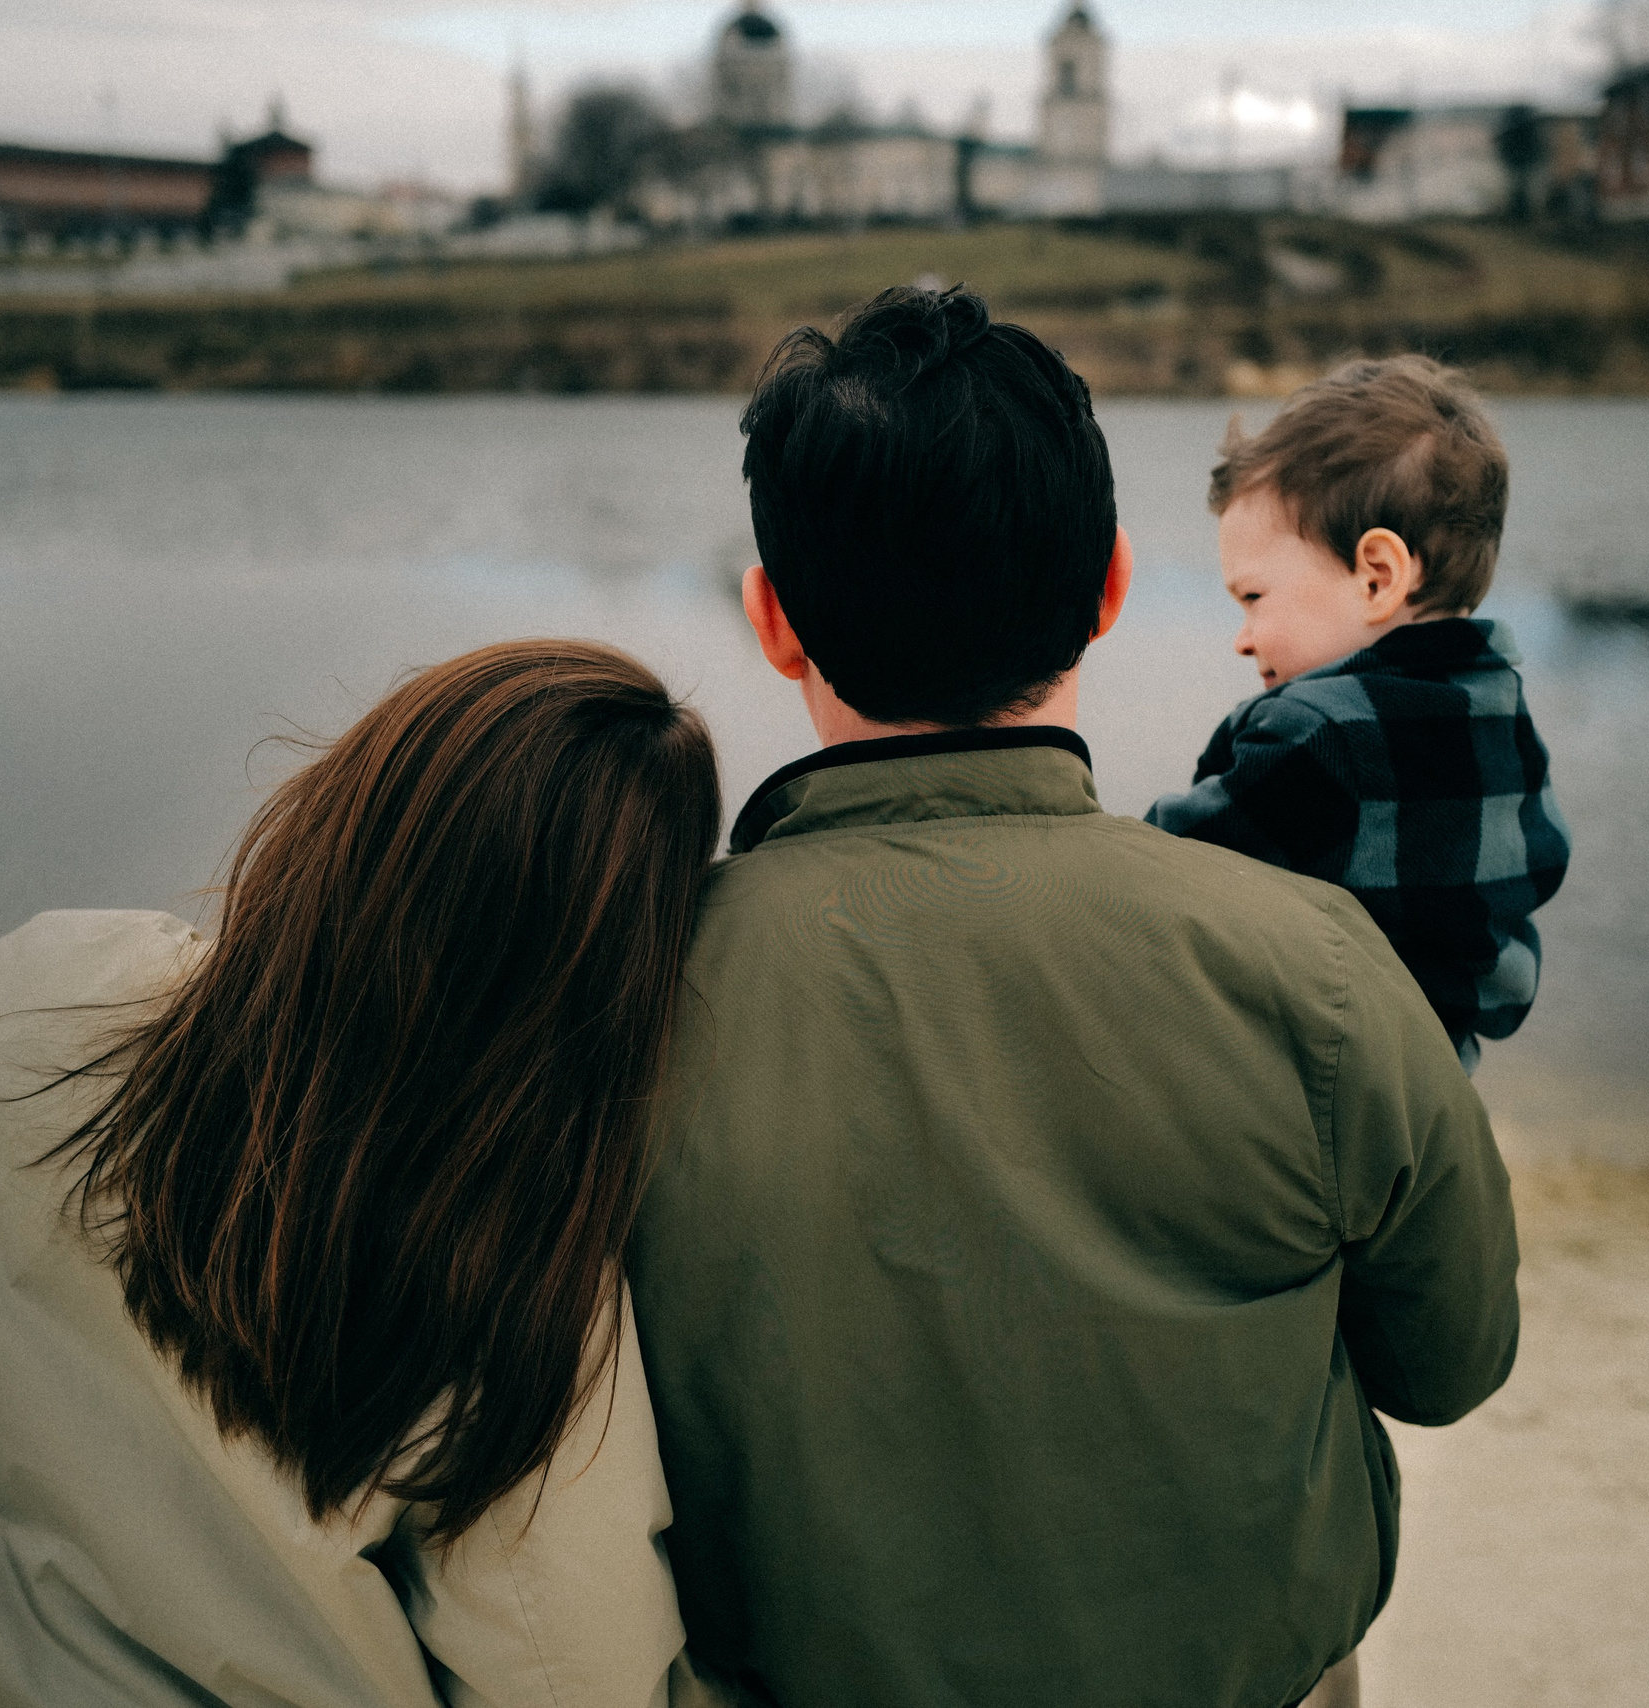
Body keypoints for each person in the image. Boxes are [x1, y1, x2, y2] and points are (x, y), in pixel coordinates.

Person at [628, 287, 1522, 1708]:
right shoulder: (1320, 965)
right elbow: (1452, 1358)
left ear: (773, 623)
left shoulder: (620, 998)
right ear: (1109, 590)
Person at [0, 641, 728, 1708]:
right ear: (623, 979)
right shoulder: (515, 1270)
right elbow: (574, 1682)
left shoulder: (31, 998)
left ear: (344, 803)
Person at [1144, 355, 1571, 1072]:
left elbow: (1157, 872)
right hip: (1436, 1094)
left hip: (1300, 1091)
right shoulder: (1504, 720)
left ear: (1377, 576)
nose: (1242, 638)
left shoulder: (1318, 736)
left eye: (1253, 598)